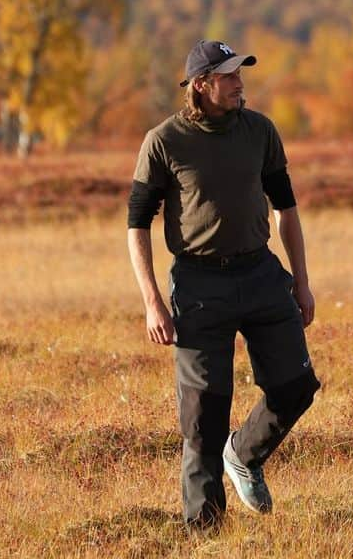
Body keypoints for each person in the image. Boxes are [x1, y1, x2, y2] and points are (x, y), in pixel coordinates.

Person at [127, 39, 320, 530]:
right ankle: (204, 532)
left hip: (260, 273)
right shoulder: (164, 141)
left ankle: (245, 454)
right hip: (198, 284)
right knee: (203, 417)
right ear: (201, 85)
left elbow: (286, 209)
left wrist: (301, 282)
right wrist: (152, 302)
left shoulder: (260, 131)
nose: (240, 83)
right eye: (230, 75)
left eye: (241, 74)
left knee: (296, 385)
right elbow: (136, 225)